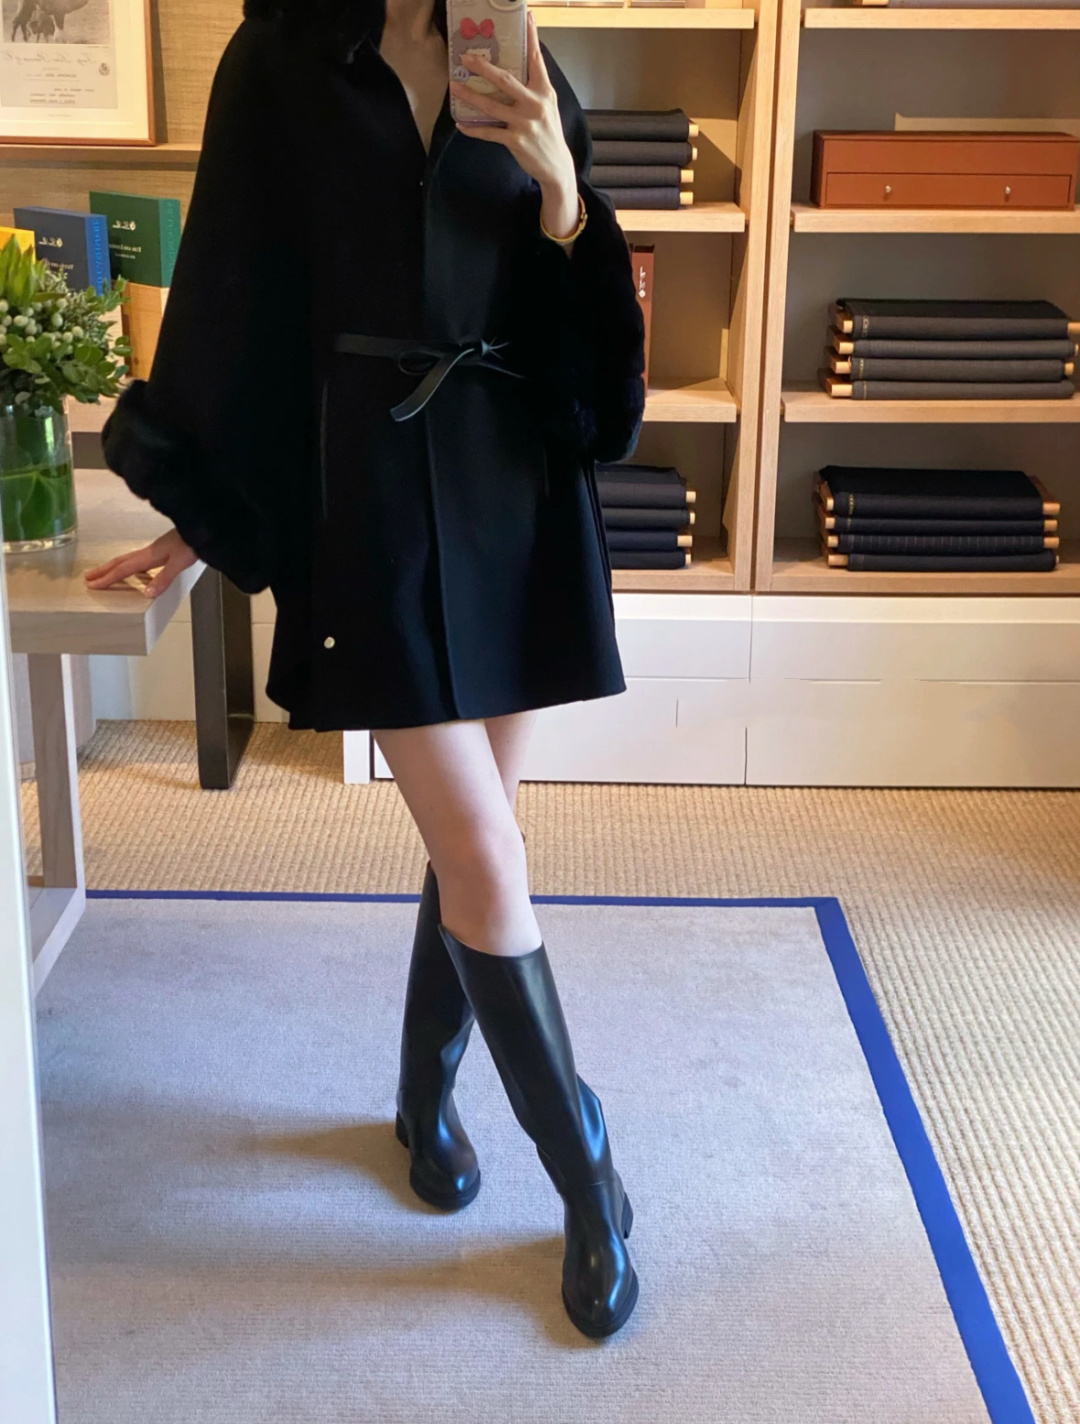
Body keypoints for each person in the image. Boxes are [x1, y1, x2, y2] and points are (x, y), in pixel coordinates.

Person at [85, 0, 645, 1338]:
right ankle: (591, 1182)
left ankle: (420, 1100)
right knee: (487, 855)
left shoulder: (517, 52)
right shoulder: (281, 58)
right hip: (374, 505)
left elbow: (579, 342)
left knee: (476, 841)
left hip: (513, 491)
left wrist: (563, 193)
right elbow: (235, 290)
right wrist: (203, 508)